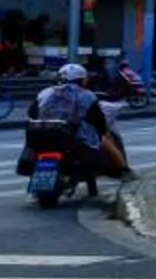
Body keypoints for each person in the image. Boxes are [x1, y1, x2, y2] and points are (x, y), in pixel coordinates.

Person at [28, 62, 131, 204]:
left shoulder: (45, 93)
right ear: (82, 80)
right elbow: (98, 120)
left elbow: (31, 113)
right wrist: (101, 133)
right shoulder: (87, 95)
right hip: (73, 138)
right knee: (105, 138)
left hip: (41, 135)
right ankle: (123, 169)